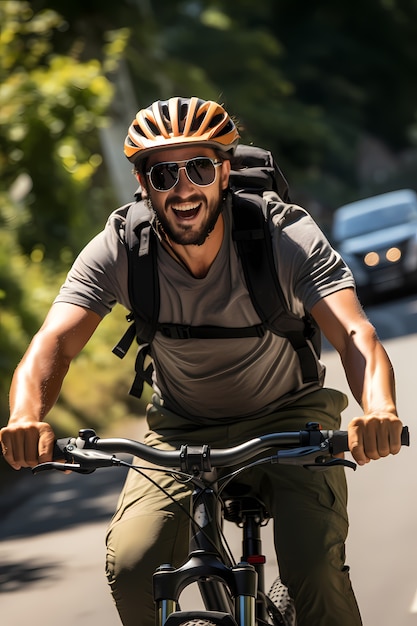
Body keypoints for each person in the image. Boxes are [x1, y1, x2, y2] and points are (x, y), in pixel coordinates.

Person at [1, 97, 403, 626]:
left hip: (290, 419)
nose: (183, 188)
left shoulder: (282, 236)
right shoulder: (122, 248)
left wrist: (378, 408)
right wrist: (25, 417)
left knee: (311, 568)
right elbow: (53, 343)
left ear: (225, 171)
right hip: (181, 428)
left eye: (198, 167)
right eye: (165, 173)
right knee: (132, 565)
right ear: (144, 184)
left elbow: (355, 333)